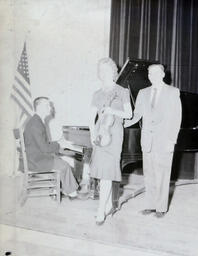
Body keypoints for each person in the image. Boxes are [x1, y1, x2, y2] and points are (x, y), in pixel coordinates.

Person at [125, 64, 182, 218]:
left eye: (155, 73)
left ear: (163, 75)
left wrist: (172, 141)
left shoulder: (172, 92)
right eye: (150, 74)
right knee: (149, 174)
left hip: (164, 141)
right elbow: (136, 115)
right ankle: (150, 205)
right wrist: (121, 122)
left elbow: (176, 119)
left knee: (162, 174)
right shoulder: (143, 93)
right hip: (147, 141)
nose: (152, 76)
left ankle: (161, 208)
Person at [89, 58, 132, 225]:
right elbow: (90, 117)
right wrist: (92, 134)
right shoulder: (97, 93)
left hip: (114, 134)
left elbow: (128, 114)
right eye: (100, 70)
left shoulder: (122, 91)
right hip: (101, 133)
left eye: (106, 70)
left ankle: (100, 211)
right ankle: (107, 205)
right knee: (101, 172)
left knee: (107, 172)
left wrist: (112, 110)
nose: (103, 73)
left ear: (113, 72)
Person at [24, 97, 79, 199]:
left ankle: (57, 189)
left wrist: (58, 143)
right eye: (47, 105)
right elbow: (45, 148)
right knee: (64, 165)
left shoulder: (36, 121)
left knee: (58, 159)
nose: (50, 108)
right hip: (36, 161)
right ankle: (71, 193)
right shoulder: (36, 124)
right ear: (39, 107)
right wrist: (59, 145)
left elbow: (42, 144)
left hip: (35, 157)